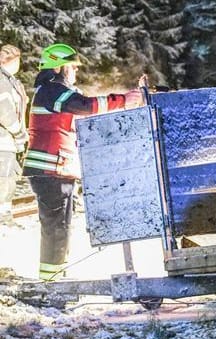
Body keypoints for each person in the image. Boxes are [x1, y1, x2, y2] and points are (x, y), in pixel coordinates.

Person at [22, 43, 143, 281]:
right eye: (72, 67)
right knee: (57, 230)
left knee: (60, 230)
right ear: (59, 67)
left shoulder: (54, 91)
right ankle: (51, 284)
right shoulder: (52, 90)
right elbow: (85, 105)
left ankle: (55, 279)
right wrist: (124, 99)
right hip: (51, 171)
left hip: (57, 171)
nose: (76, 72)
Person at [0, 44, 28, 225]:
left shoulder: (10, 80)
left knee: (8, 178)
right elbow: (5, 111)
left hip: (8, 140)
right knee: (5, 179)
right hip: (4, 140)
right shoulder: (3, 82)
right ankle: (4, 217)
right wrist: (18, 133)